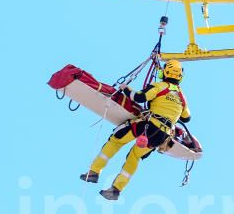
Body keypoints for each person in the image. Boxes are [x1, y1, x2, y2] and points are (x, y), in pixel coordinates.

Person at [80, 59, 192, 201]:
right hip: (162, 137)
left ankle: (94, 171)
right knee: (134, 156)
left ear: (165, 72)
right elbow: (187, 118)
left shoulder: (159, 86)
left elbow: (139, 97)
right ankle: (116, 190)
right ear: (180, 76)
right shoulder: (182, 97)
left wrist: (125, 88)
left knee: (116, 140)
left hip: (147, 126)